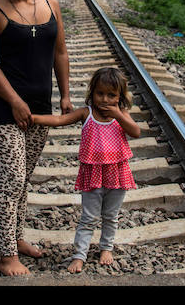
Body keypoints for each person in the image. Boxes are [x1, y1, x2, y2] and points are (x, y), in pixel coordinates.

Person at [0, 0, 73, 277]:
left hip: (40, 109)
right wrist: (15, 101)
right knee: (12, 180)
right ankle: (6, 257)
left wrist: (64, 94)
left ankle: (16, 238)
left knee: (24, 179)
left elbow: (59, 52)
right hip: (6, 111)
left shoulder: (51, 3)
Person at [30, 67, 141, 273]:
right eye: (100, 93)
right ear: (92, 93)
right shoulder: (86, 113)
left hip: (116, 173)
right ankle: (79, 255)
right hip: (92, 174)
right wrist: (34, 118)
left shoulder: (121, 115)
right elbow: (60, 120)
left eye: (111, 95)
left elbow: (135, 132)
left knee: (110, 215)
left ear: (120, 97)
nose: (105, 100)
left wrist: (118, 114)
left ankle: (106, 247)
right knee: (88, 218)